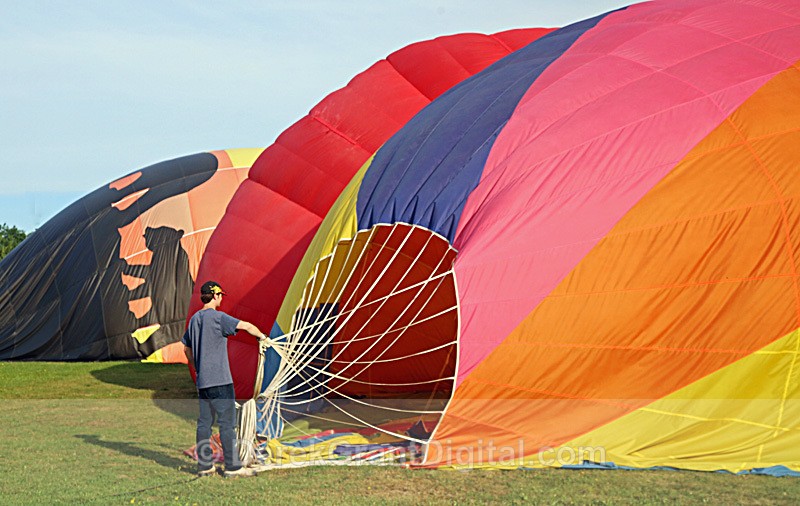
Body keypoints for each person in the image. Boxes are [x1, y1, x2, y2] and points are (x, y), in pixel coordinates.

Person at [182, 280, 267, 478]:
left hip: (203, 382)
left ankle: (205, 466)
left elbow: (186, 349)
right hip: (221, 381)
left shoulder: (194, 320)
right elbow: (246, 326)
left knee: (204, 424)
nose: (221, 299)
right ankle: (233, 467)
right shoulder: (219, 318)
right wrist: (262, 337)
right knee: (227, 425)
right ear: (215, 295)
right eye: (220, 296)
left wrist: (197, 367)